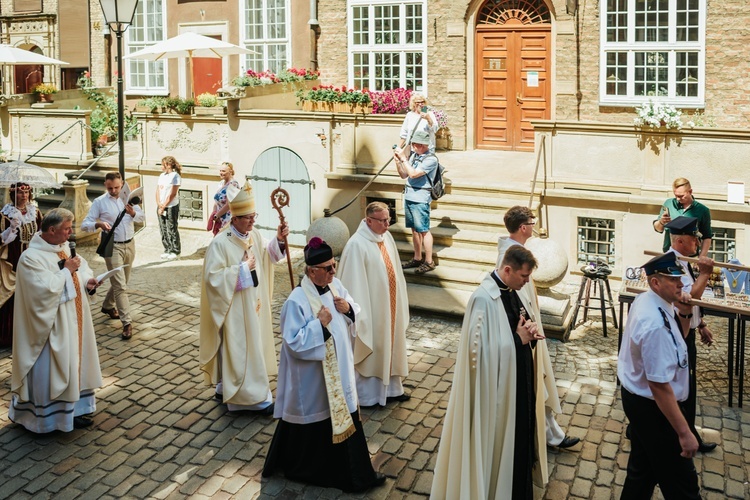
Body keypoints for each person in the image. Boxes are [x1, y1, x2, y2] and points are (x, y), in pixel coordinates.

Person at [263, 237, 386, 492]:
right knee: (318, 420)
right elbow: (293, 342)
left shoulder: (335, 286)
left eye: (334, 265)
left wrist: (348, 308)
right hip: (314, 380)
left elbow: (356, 309)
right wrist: (318, 324)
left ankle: (354, 472)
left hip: (339, 371)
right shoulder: (296, 301)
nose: (333, 271)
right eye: (328, 268)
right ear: (311, 271)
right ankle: (330, 473)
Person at [432, 245, 547, 499]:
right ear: (507, 270)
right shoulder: (483, 299)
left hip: (519, 381)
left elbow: (517, 324)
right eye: (524, 276)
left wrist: (529, 330)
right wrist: (518, 340)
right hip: (496, 393)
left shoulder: (510, 289)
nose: (527, 281)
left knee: (522, 438)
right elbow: (478, 358)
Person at [496, 206, 580, 456]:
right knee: (535, 385)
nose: (534, 225)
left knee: (539, 383)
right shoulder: (509, 258)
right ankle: (548, 435)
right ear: (523, 227)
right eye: (532, 222)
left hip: (531, 329)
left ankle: (550, 433)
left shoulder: (518, 252)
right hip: (524, 335)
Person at [9, 208, 103, 433]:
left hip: (75, 320)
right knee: (51, 368)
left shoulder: (63, 248)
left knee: (76, 363)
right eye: (66, 229)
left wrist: (88, 281)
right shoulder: (31, 257)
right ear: (51, 230)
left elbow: (78, 272)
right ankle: (47, 420)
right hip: (50, 327)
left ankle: (76, 411)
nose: (71, 234)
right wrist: (66, 271)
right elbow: (41, 291)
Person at [199, 180, 288, 414]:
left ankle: (224, 385)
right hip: (234, 308)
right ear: (234, 218)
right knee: (239, 348)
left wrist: (279, 240)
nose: (252, 220)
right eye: (247, 217)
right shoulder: (220, 244)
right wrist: (241, 270)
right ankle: (248, 398)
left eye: (253, 215)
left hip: (254, 304)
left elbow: (267, 256)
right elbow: (213, 279)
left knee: (249, 346)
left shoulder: (254, 234)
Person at [618, 252, 700, 499]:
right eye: (673, 278)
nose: (681, 283)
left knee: (641, 474)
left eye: (681, 277)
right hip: (655, 408)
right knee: (683, 486)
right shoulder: (654, 322)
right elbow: (659, 386)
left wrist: (685, 312)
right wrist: (685, 433)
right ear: (655, 283)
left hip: (643, 402)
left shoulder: (652, 301)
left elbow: (678, 341)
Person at [338, 201, 410, 407]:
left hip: (390, 305)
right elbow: (353, 285)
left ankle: (394, 389)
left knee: (392, 344)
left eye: (389, 219)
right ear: (369, 220)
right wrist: (363, 317)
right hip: (373, 308)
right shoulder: (356, 245)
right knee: (375, 346)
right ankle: (370, 396)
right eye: (382, 221)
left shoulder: (386, 237)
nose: (387, 224)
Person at [664, 216, 717, 453]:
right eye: (694, 239)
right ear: (681, 241)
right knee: (683, 386)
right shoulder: (673, 263)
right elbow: (687, 299)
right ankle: (685, 435)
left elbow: (690, 303)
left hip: (687, 327)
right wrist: (705, 274)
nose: (697, 242)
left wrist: (701, 323)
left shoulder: (683, 261)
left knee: (684, 384)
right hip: (678, 332)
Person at [81, 172, 145, 340]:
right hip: (113, 247)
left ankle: (108, 305)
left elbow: (142, 217)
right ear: (105, 185)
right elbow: (84, 224)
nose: (114, 190)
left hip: (130, 244)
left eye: (117, 187)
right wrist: (98, 224)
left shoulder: (129, 198)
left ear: (122, 184)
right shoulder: (99, 202)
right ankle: (127, 323)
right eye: (110, 188)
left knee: (122, 280)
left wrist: (132, 213)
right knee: (120, 286)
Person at [0, 183, 43, 348]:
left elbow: (41, 232)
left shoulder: (35, 212)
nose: (24, 196)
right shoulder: (6, 215)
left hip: (32, 256)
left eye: (27, 192)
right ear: (13, 195)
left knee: (31, 292)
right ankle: (9, 335)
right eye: (20, 193)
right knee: (13, 292)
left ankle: (29, 331)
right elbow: (2, 240)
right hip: (14, 257)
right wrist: (11, 229)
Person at [394, 129, 438, 275]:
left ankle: (429, 261)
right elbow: (404, 175)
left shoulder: (431, 159)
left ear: (423, 145)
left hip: (420, 198)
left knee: (423, 230)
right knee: (414, 229)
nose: (413, 147)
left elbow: (413, 173)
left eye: (415, 144)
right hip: (409, 195)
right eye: (413, 144)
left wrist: (404, 159)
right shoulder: (414, 156)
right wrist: (398, 162)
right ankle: (417, 257)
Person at [653, 177, 712, 256]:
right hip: (670, 255)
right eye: (676, 195)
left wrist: (701, 258)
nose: (677, 199)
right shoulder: (668, 204)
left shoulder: (702, 210)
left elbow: (707, 237)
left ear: (690, 192)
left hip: (690, 257)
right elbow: (658, 229)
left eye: (681, 196)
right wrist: (661, 222)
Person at [156, 155, 182, 260]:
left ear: (168, 165)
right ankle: (167, 248)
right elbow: (158, 190)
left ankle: (175, 250)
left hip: (171, 206)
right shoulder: (162, 176)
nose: (161, 167)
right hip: (161, 206)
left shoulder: (175, 176)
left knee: (171, 228)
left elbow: (172, 194)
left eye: (163, 165)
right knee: (163, 228)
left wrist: (164, 205)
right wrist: (159, 204)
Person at [209, 161, 240, 236]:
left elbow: (229, 204)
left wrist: (217, 215)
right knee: (218, 242)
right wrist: (214, 214)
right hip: (219, 219)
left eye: (223, 171)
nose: (221, 173)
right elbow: (216, 201)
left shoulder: (233, 184)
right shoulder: (221, 183)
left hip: (228, 220)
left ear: (230, 172)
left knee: (228, 240)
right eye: (220, 171)